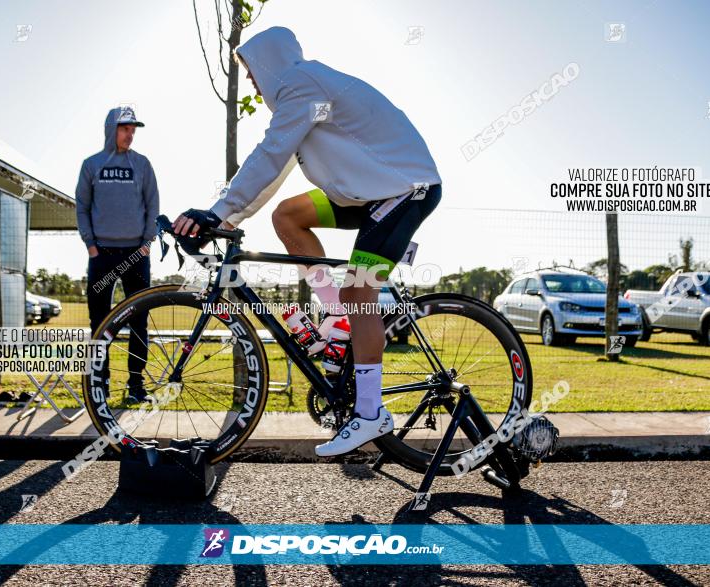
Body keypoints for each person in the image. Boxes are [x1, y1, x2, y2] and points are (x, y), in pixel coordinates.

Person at [172, 27, 441, 456]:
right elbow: (274, 172)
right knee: (288, 216)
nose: (253, 84)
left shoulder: (300, 84)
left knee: (359, 292)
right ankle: (337, 321)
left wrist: (219, 211)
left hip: (406, 188)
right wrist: (226, 215)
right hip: (367, 190)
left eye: (252, 73)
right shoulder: (298, 96)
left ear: (268, 63)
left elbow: (270, 154)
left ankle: (371, 412)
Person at [76, 106, 159, 402]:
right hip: (102, 255)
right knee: (99, 321)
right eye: (125, 128)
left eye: (133, 129)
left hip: (137, 253)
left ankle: (135, 386)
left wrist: (147, 241)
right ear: (111, 129)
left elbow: (153, 206)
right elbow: (82, 207)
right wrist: (91, 245)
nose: (130, 134)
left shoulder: (143, 164)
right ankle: (100, 384)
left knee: (139, 320)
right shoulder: (91, 165)